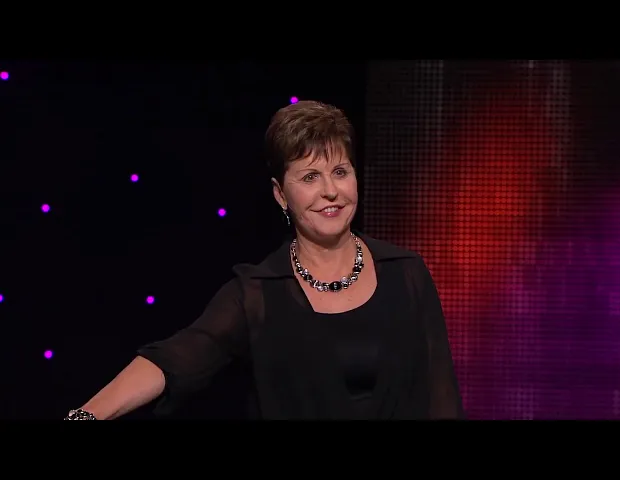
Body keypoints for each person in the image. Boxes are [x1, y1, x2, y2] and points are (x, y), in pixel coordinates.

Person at [64, 100, 464, 420]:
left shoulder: (405, 272)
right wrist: (85, 415)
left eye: (340, 171)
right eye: (310, 177)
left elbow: (441, 398)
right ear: (280, 195)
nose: (331, 191)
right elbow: (176, 358)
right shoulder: (257, 294)